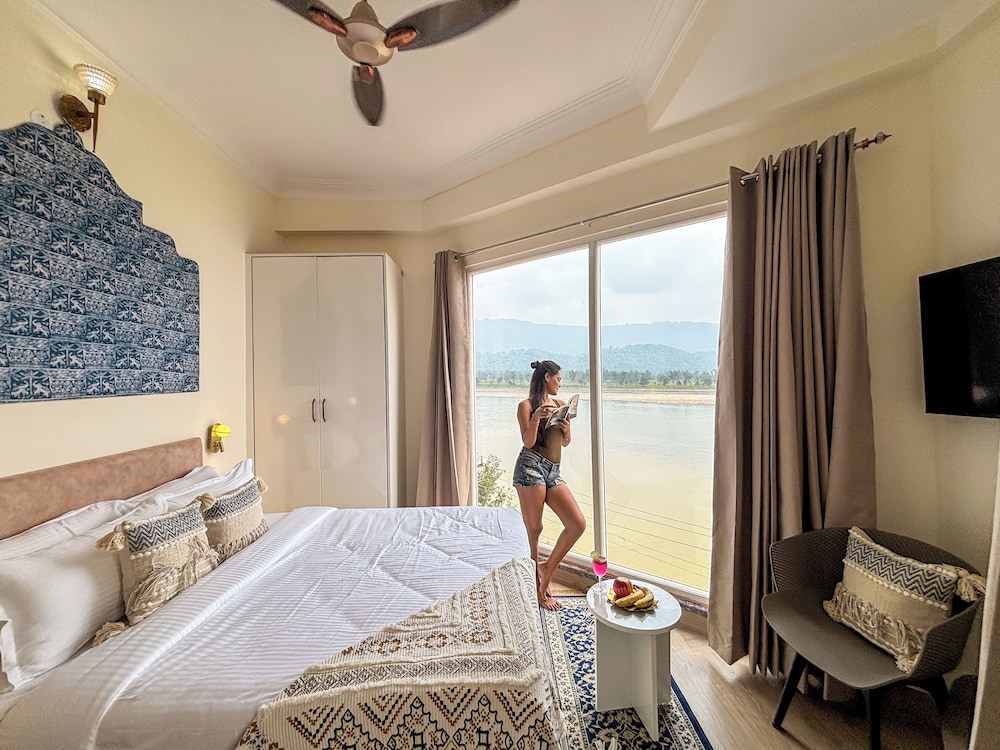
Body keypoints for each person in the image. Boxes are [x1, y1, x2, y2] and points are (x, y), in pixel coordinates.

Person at [512, 360, 586, 611]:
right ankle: (537, 586)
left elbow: (564, 443)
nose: (560, 384)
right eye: (558, 379)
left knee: (577, 524)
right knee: (534, 529)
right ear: (546, 377)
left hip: (553, 471)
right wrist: (535, 418)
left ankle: (545, 569)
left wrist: (566, 429)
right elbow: (528, 441)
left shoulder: (561, 404)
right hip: (530, 467)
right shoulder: (525, 406)